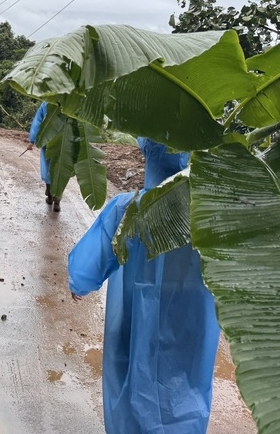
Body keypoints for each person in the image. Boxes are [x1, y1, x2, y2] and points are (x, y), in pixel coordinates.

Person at [68, 137, 219, 434]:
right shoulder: (209, 216)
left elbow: (88, 265)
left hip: (135, 318)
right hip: (190, 326)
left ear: (148, 154)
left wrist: (80, 286)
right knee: (185, 387)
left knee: (131, 381)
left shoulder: (127, 209)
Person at [27, 101, 59, 211]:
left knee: (47, 167)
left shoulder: (47, 102)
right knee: (60, 168)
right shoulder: (69, 100)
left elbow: (38, 122)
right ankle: (57, 200)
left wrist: (32, 140)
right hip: (63, 142)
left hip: (47, 140)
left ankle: (50, 195)